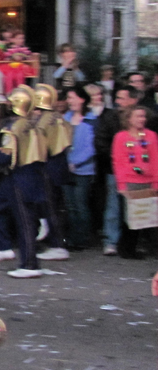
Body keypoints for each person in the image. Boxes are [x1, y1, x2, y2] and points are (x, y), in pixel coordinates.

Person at [0, 85, 48, 278]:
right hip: (33, 173)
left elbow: (2, 158)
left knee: (24, 221)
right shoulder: (34, 124)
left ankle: (30, 264)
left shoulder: (14, 127)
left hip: (20, 175)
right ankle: (3, 247)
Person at [95, 87, 139, 255]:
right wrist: (115, 158)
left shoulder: (146, 118)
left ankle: (131, 244)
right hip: (114, 170)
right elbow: (101, 141)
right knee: (113, 206)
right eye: (117, 98)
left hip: (137, 172)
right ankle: (111, 241)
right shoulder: (110, 118)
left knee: (135, 208)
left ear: (133, 100)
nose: (117, 102)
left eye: (121, 98)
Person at [112, 105, 158, 258]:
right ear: (129, 119)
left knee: (150, 215)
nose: (141, 119)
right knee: (131, 216)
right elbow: (118, 162)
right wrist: (122, 185)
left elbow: (156, 159)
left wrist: (156, 182)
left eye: (143, 116)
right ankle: (127, 249)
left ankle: (151, 248)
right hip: (130, 182)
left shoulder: (151, 136)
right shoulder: (121, 137)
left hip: (148, 180)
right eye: (138, 116)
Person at [33, 84, 73, 262]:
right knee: (54, 207)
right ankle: (56, 241)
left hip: (48, 167)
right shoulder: (59, 118)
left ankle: (57, 245)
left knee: (50, 208)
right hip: (59, 165)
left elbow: (39, 144)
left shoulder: (45, 119)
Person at [62, 87, 97, 249]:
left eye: (72, 97)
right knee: (69, 205)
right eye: (68, 98)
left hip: (83, 169)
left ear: (82, 99)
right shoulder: (65, 119)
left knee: (80, 204)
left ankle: (82, 238)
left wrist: (75, 162)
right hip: (65, 168)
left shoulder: (91, 120)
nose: (70, 101)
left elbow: (91, 147)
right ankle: (72, 237)